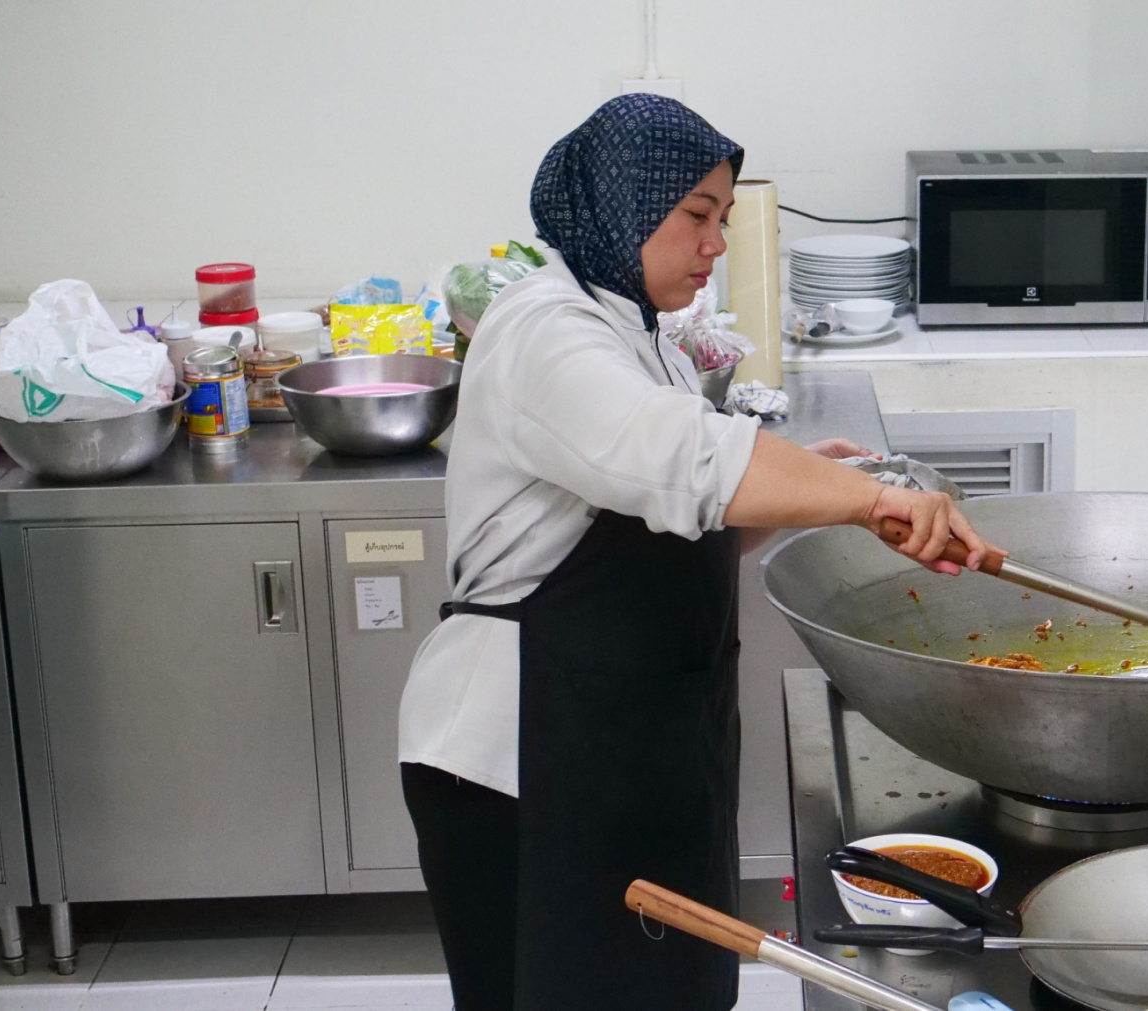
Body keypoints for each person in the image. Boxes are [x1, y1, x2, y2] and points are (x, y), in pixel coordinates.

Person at [397, 94, 995, 1011]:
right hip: (525, 763)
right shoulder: (544, 329)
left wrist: (827, 494)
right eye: (696, 215)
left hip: (632, 755)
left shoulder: (642, 336)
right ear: (622, 205)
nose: (716, 243)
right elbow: (686, 460)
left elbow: (686, 516)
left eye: (722, 217)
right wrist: (874, 496)